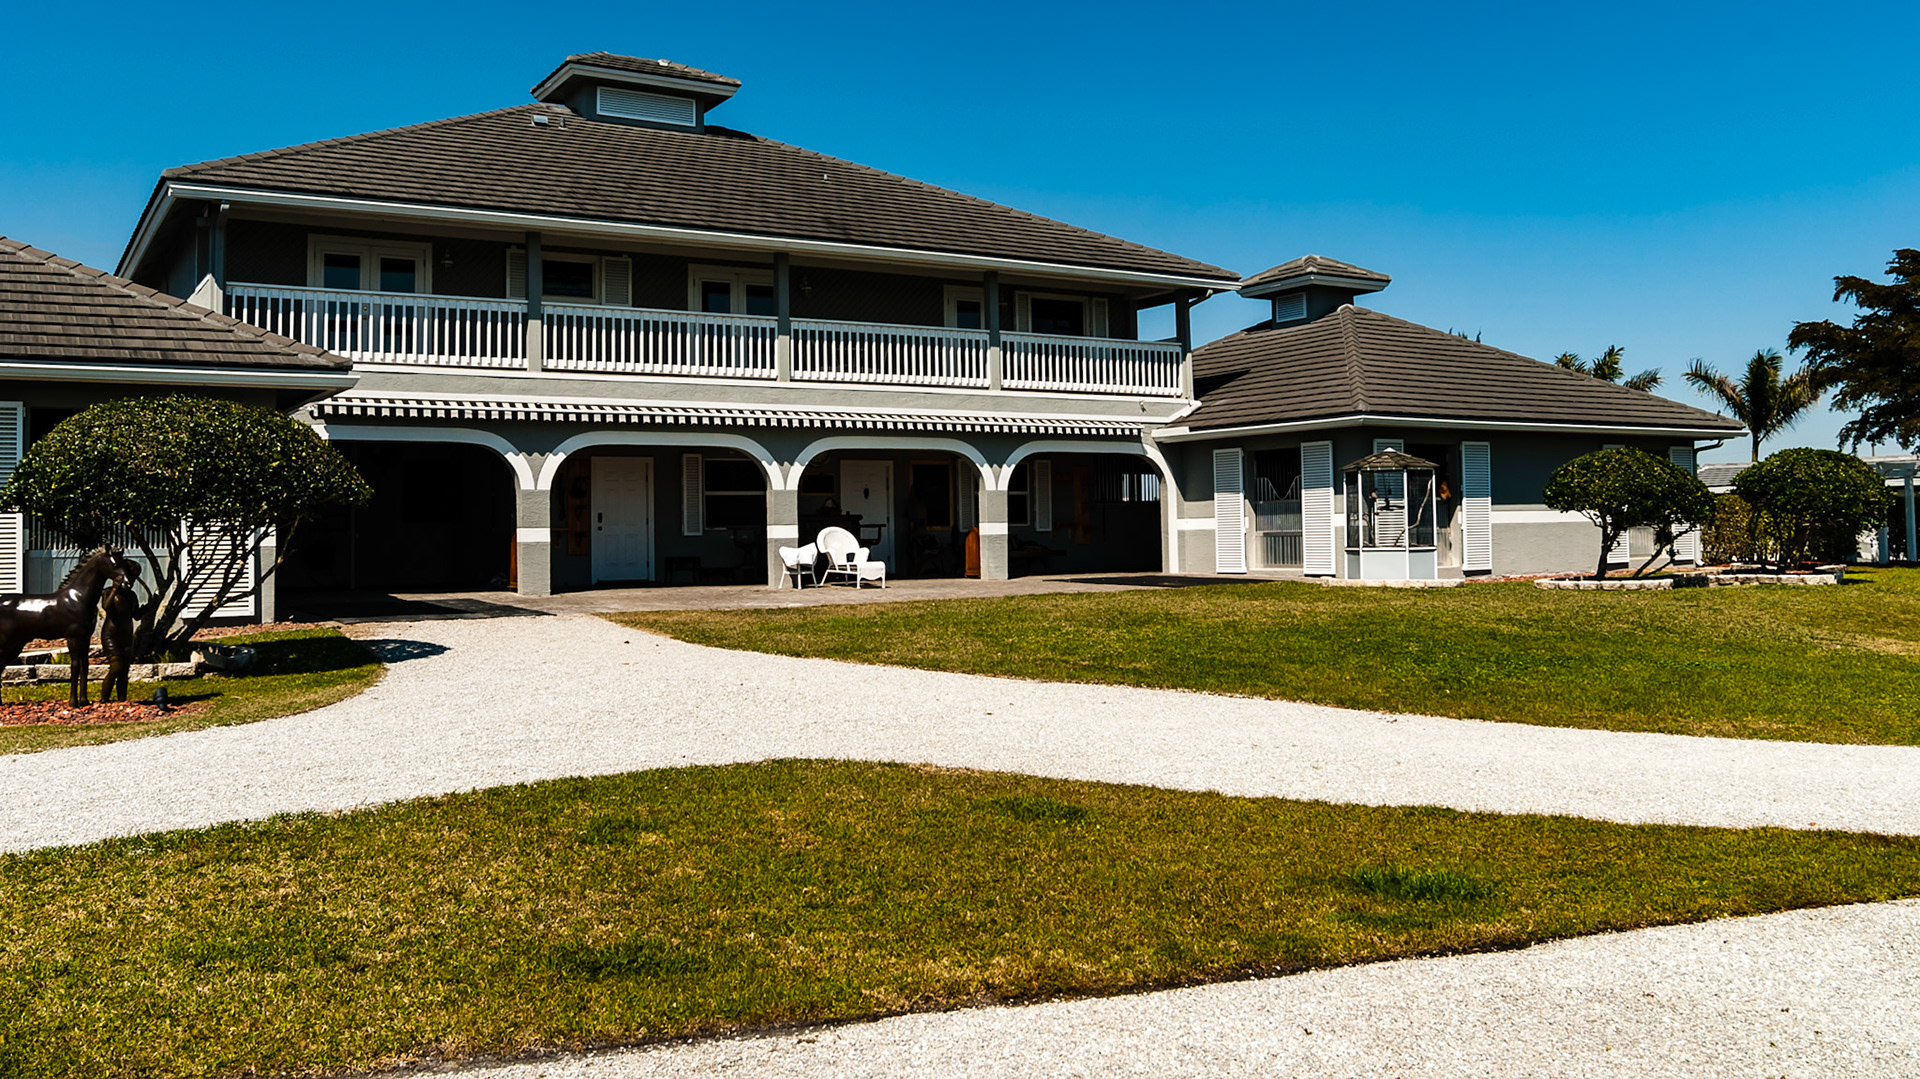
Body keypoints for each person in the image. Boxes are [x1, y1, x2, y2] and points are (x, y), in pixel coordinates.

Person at [99, 566, 140, 703]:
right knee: (116, 667)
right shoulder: (108, 592)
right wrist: (115, 589)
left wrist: (146, 609)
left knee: (124, 671)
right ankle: (104, 699)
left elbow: (136, 615)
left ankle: (121, 699)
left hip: (126, 635)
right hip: (111, 635)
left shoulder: (132, 596)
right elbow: (106, 606)